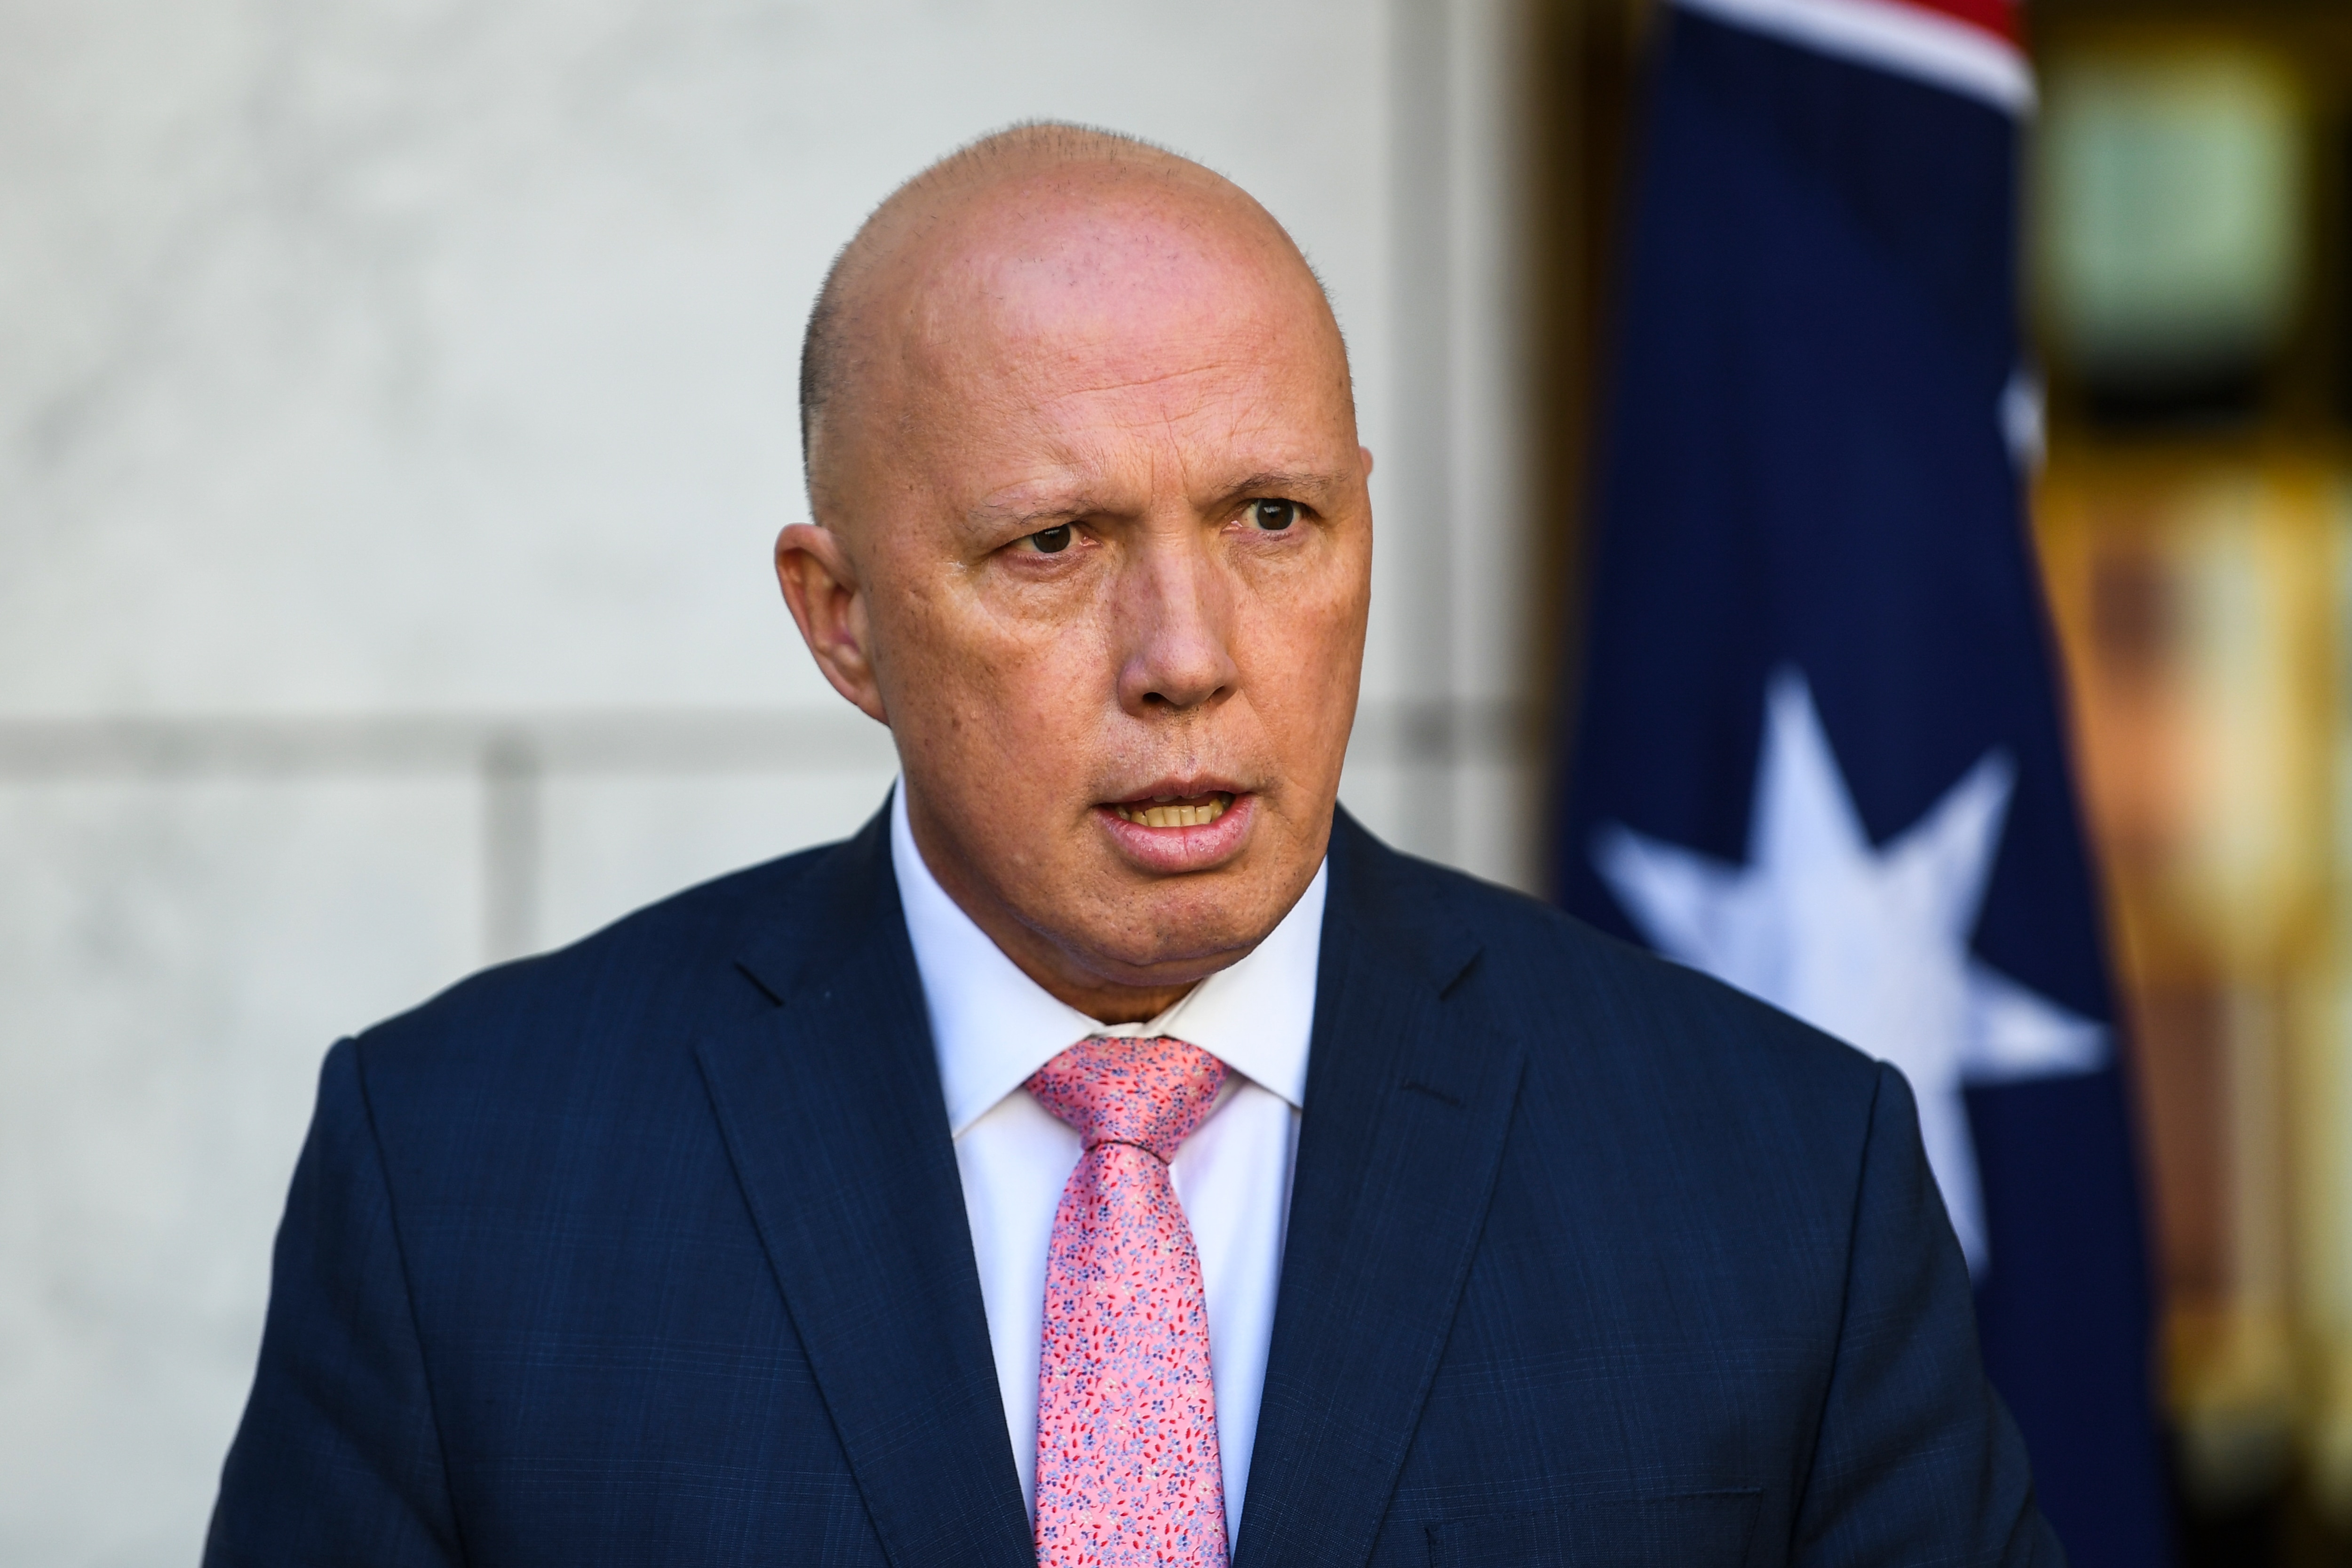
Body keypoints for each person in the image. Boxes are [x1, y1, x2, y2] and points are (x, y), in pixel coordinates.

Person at [206, 124, 2062, 1567]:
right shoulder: (460, 1184)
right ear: (840, 619)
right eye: (1053, 547)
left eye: (1271, 519)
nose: (1186, 657)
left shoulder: (1773, 1181)